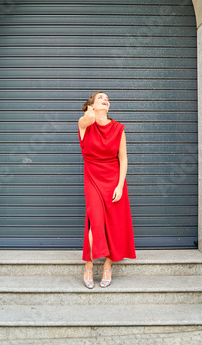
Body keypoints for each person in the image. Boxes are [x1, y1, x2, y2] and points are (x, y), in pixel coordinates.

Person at [78, 91, 136, 289]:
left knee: (113, 223)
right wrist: (90, 110)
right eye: (101, 98)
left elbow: (123, 159)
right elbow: (88, 118)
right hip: (92, 178)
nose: (106, 100)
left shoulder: (118, 128)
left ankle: (107, 266)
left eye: (108, 99)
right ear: (92, 105)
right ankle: (88, 264)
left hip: (113, 179)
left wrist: (120, 185)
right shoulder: (84, 124)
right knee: (95, 221)